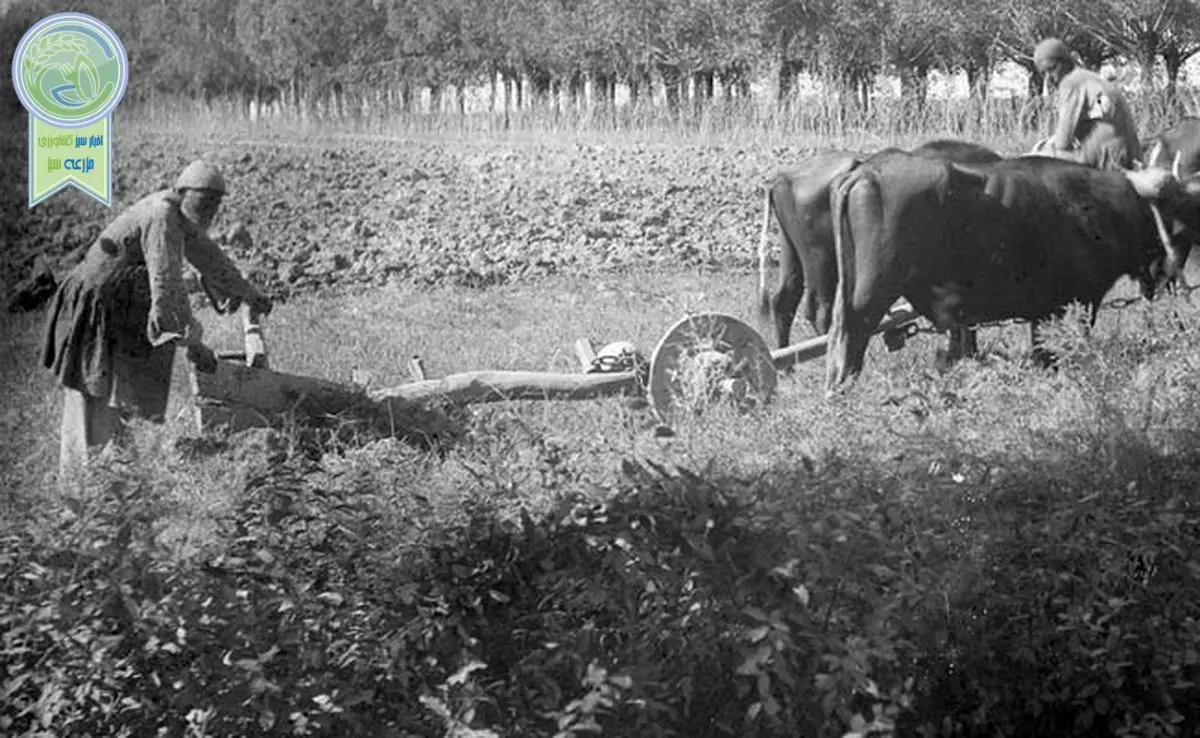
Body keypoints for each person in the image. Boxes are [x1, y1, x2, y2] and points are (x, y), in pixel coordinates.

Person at [40, 159, 272, 482]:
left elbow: (211, 259)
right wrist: (194, 345)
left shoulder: (179, 218)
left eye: (214, 205)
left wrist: (248, 292)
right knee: (89, 395)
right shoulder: (163, 215)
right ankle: (81, 495)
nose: (208, 211)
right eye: (203, 202)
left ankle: (115, 478)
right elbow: (166, 287)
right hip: (95, 309)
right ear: (183, 193)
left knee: (113, 394)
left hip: (117, 310)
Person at [1031, 38, 1141, 171]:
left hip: (1107, 159)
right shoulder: (1090, 78)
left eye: (1052, 69)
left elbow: (1063, 141)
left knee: (1032, 162)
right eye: (1044, 74)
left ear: (1066, 62)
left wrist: (1042, 147)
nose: (1049, 78)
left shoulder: (1071, 83)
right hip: (1130, 155)